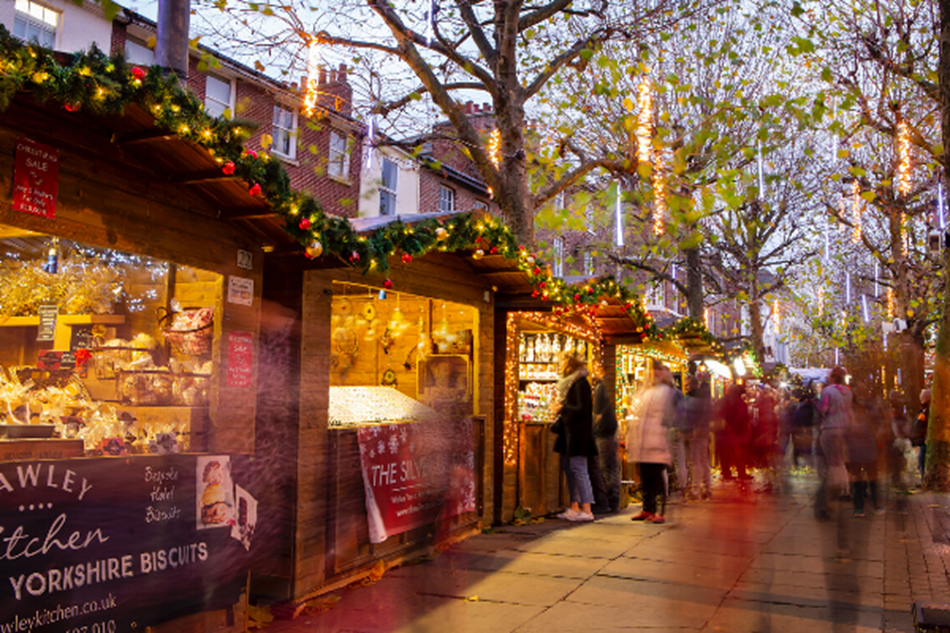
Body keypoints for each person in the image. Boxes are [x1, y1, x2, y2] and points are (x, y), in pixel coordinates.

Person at [627, 363, 679, 524]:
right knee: (646, 476)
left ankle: (660, 511)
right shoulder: (647, 392)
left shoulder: (667, 392)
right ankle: (647, 508)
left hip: (658, 439)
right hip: (644, 440)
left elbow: (671, 415)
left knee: (657, 477)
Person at [551, 352, 596, 522]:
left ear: (569, 364)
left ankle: (587, 509)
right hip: (569, 434)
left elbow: (581, 409)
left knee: (578, 470)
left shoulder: (580, 384)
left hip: (577, 434)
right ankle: (575, 506)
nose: (559, 365)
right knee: (571, 471)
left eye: (562, 362)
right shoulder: (572, 383)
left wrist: (561, 408)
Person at [815, 367, 853, 519]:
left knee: (831, 462)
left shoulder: (828, 392)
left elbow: (822, 408)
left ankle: (835, 488)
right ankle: (845, 487)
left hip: (830, 428)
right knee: (840, 460)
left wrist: (817, 405)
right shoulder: (848, 392)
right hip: (844, 428)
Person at [591, 366, 621, 513]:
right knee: (611, 467)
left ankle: (608, 502)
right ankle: (613, 501)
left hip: (604, 433)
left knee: (605, 467)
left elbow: (598, 415)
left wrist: (592, 427)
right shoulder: (604, 388)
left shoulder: (600, 388)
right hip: (609, 431)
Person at [847, 386, 880, 517]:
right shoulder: (872, 408)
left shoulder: (850, 410)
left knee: (857, 478)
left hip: (854, 447)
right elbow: (878, 426)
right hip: (869, 446)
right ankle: (876, 504)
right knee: (872, 476)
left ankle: (859, 506)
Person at [682, 376, 714, 500]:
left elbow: (690, 416)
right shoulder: (705, 398)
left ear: (694, 385)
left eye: (688, 385)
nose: (687, 388)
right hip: (703, 431)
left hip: (696, 432)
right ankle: (707, 487)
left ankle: (696, 489)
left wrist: (692, 429)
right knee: (703, 460)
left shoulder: (692, 398)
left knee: (695, 461)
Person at [717, 383, 751, 481]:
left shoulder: (723, 401)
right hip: (734, 431)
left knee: (726, 454)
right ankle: (739, 472)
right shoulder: (737, 403)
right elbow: (741, 417)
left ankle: (727, 472)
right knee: (738, 453)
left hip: (727, 432)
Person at [914, 389, 931, 482]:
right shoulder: (924, 409)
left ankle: (924, 479)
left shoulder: (929, 409)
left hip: (926, 441)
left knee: (923, 459)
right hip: (923, 440)